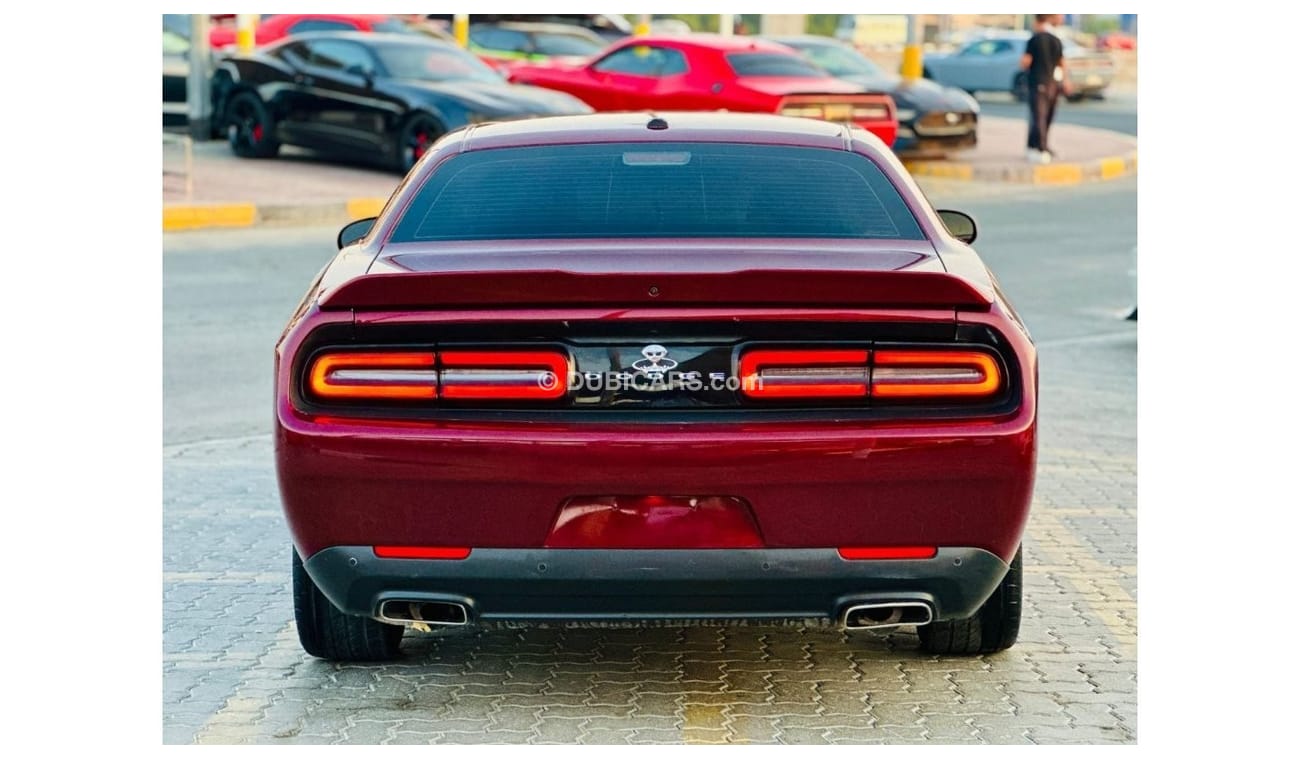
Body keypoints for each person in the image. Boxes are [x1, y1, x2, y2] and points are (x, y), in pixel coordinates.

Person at [1020, 14, 1073, 164]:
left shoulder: (1034, 39)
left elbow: (1025, 62)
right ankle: (1036, 146)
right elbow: (1062, 63)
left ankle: (1040, 149)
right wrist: (1066, 81)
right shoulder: (1056, 40)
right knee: (1047, 117)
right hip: (1053, 84)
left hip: (1037, 83)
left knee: (1038, 117)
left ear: (1037, 21)